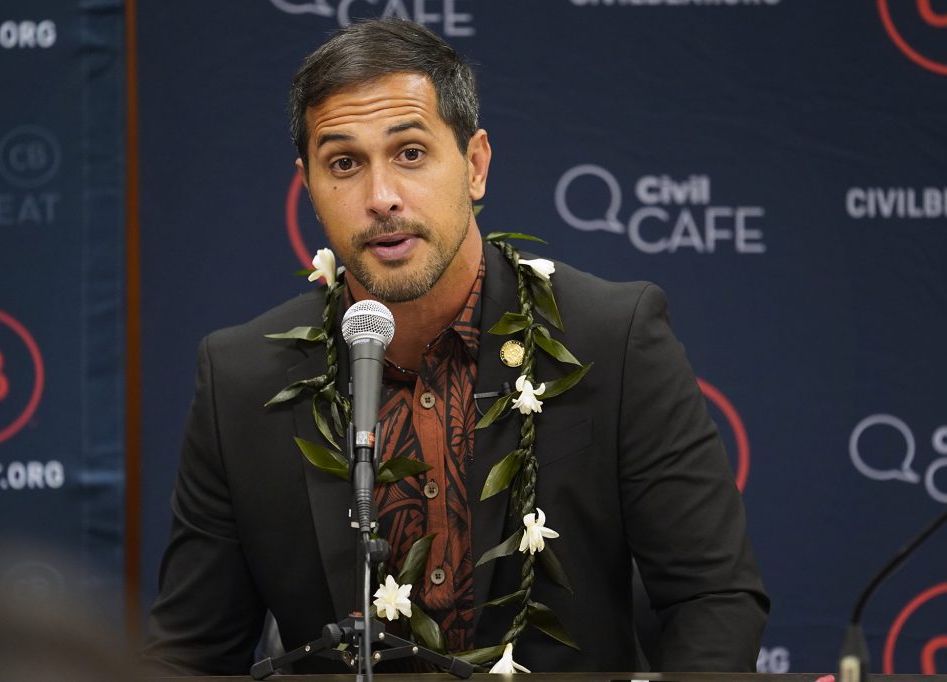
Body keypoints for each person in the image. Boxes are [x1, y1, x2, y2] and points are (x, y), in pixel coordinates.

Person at [144, 17, 768, 675]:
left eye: (410, 154)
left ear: (474, 165)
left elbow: (715, 600)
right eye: (345, 164)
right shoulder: (244, 379)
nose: (381, 197)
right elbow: (188, 652)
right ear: (310, 188)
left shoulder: (611, 338)